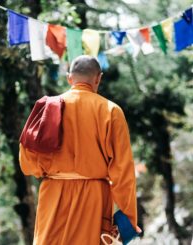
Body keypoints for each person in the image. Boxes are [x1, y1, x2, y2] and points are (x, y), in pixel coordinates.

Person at [20, 55, 140, 244]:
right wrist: (128, 219)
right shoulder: (110, 111)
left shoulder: (47, 108)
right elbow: (123, 171)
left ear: (69, 78)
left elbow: (27, 162)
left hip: (53, 195)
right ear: (98, 78)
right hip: (93, 198)